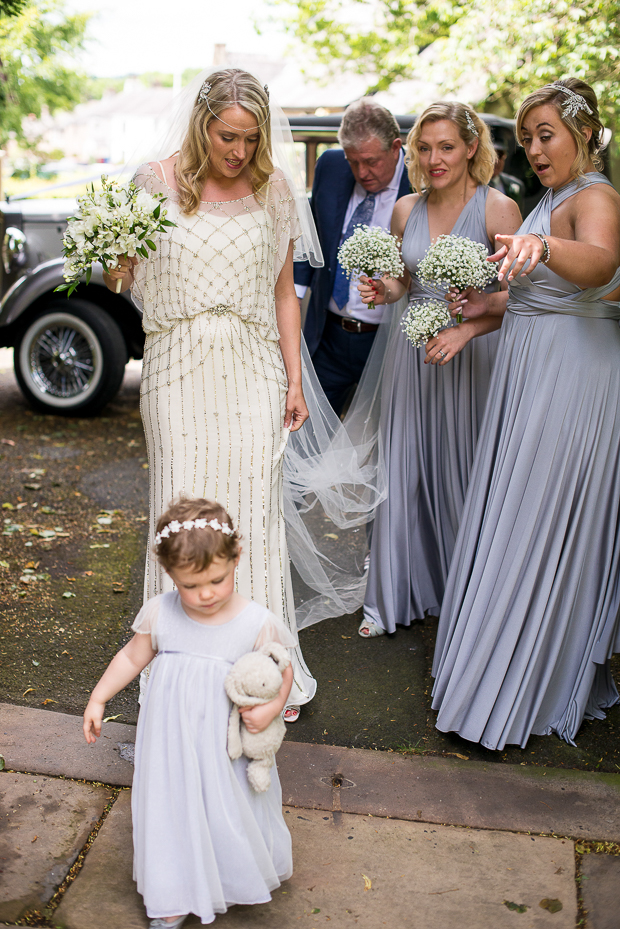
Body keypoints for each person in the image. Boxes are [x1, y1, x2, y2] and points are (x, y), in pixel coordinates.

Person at [105, 69, 318, 723]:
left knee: (251, 512)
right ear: (202, 124)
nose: (240, 152)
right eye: (229, 136)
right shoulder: (154, 181)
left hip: (253, 367)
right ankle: (176, 664)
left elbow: (284, 292)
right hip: (176, 368)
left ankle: (260, 668)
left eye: (252, 140)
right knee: (182, 511)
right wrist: (111, 259)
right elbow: (124, 277)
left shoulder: (273, 187)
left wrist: (294, 377)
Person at [431, 79, 620, 750]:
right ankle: (500, 668)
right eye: (528, 138)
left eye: (547, 135)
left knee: (537, 517)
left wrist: (540, 248)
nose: (535, 149)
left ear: (585, 134)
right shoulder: (554, 199)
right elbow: (544, 300)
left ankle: (516, 686)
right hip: (533, 372)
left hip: (570, 382)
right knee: (515, 513)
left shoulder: (595, 198)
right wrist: (483, 312)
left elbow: (599, 263)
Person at [84, 498, 295, 928]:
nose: (205, 595)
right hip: (170, 738)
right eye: (189, 586)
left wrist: (272, 707)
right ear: (170, 575)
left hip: (223, 742)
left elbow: (281, 671)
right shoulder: (163, 612)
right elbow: (131, 657)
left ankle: (227, 874)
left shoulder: (256, 621)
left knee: (227, 805)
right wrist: (98, 697)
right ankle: (173, 892)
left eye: (217, 580)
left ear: (236, 557)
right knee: (169, 806)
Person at [356, 102, 522, 638]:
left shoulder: (500, 211)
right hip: (414, 356)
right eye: (425, 148)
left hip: (474, 358)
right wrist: (385, 289)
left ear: (471, 148)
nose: (434, 159)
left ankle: (469, 596)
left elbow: (520, 304)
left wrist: (471, 314)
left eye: (446, 147)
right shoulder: (405, 209)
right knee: (406, 470)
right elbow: (405, 282)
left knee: (470, 471)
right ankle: (393, 598)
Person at [294, 98, 411, 416]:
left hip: (388, 340)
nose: (362, 172)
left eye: (371, 161)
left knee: (384, 442)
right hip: (328, 335)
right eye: (353, 161)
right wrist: (292, 298)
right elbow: (313, 233)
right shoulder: (331, 166)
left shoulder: (421, 182)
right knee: (307, 433)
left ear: (396, 147)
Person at [490, 137, 525, 212]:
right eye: (492, 155)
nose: (496, 161)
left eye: (499, 155)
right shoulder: (473, 185)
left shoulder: (515, 184)